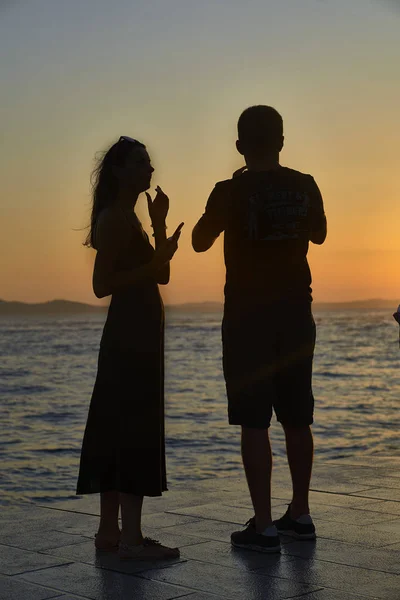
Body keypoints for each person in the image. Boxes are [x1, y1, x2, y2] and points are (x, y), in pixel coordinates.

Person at [192, 106, 327, 553]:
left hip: (248, 318)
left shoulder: (228, 190)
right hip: (296, 314)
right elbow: (320, 235)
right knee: (297, 416)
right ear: (283, 141)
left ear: (239, 146)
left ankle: (265, 525)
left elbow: (198, 240)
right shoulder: (305, 185)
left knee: (254, 420)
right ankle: (301, 514)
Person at [76, 135, 184, 561]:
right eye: (141, 162)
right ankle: (132, 540)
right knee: (131, 428)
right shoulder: (114, 220)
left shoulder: (131, 217)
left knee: (115, 427)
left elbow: (163, 277)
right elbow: (102, 285)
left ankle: (110, 534)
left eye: (150, 162)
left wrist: (158, 225)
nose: (150, 169)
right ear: (120, 170)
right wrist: (152, 264)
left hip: (138, 333)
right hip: (129, 336)